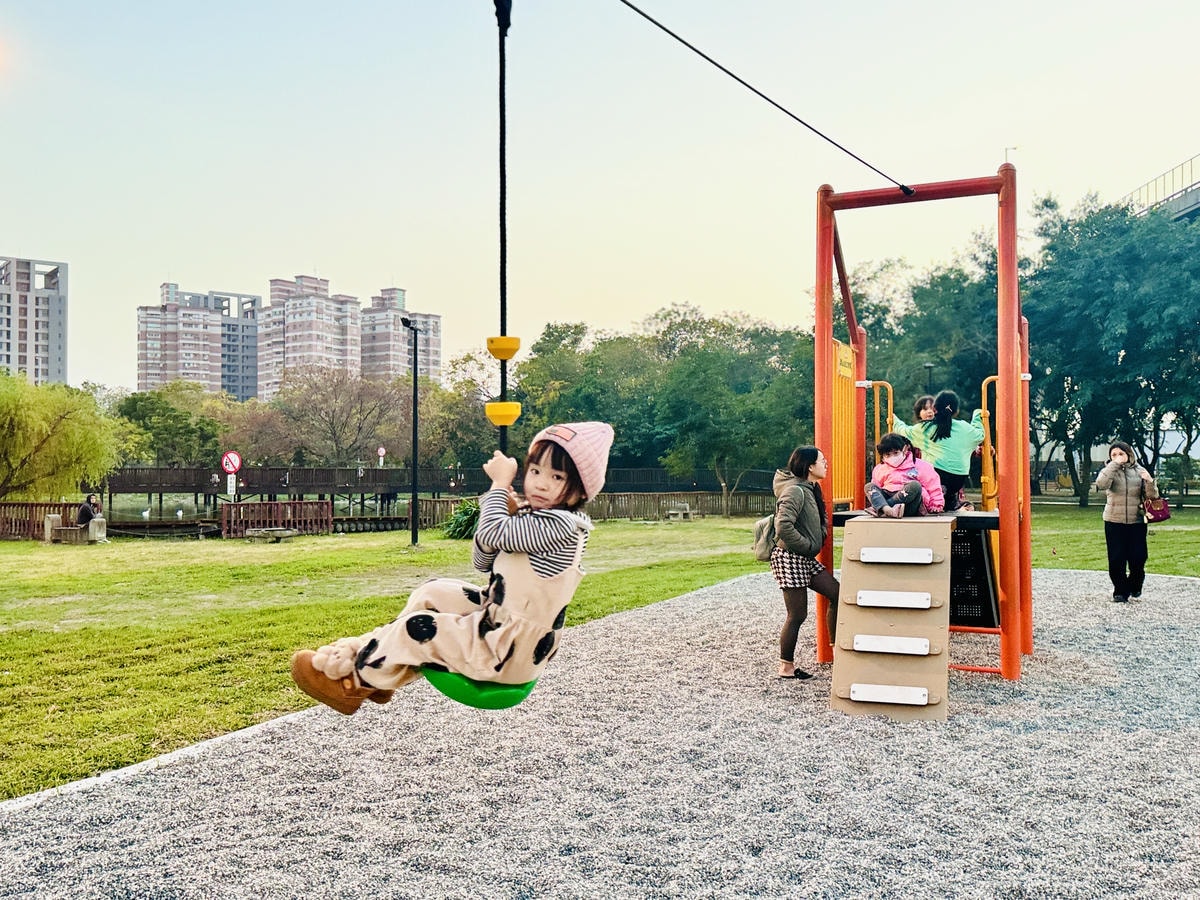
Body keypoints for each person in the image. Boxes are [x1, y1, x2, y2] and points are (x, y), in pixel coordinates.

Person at [290, 421, 614, 714]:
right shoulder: (535, 517)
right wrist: (505, 508)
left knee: (416, 626)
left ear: (582, 490)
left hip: (506, 650)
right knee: (433, 591)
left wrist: (500, 487)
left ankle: (353, 684)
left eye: (556, 477)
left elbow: (489, 532)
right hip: (496, 618)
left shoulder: (563, 526)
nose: (541, 483)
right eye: (536, 471)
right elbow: (482, 559)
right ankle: (380, 670)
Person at [770, 446, 840, 680]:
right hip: (789, 557)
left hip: (804, 558)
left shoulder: (811, 488)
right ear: (810, 466)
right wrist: (807, 545)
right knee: (797, 614)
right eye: (822, 460)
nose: (826, 463)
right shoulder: (794, 491)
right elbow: (783, 526)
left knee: (837, 593)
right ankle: (786, 668)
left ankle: (836, 649)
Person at [891, 389, 985, 510]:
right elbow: (980, 434)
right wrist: (977, 415)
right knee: (946, 492)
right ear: (956, 411)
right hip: (957, 482)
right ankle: (950, 503)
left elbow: (902, 431)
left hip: (933, 479)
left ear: (935, 408)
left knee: (911, 479)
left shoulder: (925, 428)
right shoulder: (965, 428)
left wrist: (893, 418)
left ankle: (896, 502)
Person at [1095, 441, 1158, 603]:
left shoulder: (1139, 470)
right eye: (1113, 454)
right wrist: (1113, 465)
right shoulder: (1109, 471)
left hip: (1136, 521)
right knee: (1116, 558)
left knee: (1138, 557)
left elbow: (1152, 497)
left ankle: (1135, 585)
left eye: (1120, 454)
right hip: (1113, 521)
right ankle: (1120, 591)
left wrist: (1150, 481)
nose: (1117, 457)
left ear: (1129, 454)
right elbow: (1101, 484)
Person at [865, 432, 945, 518]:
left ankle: (883, 509)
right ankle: (888, 510)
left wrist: (936, 504)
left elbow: (933, 485)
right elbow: (877, 491)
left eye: (896, 453)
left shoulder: (920, 466)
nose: (892, 457)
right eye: (888, 455)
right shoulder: (880, 469)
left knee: (915, 485)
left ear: (905, 449)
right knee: (869, 486)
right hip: (887, 495)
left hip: (909, 505)